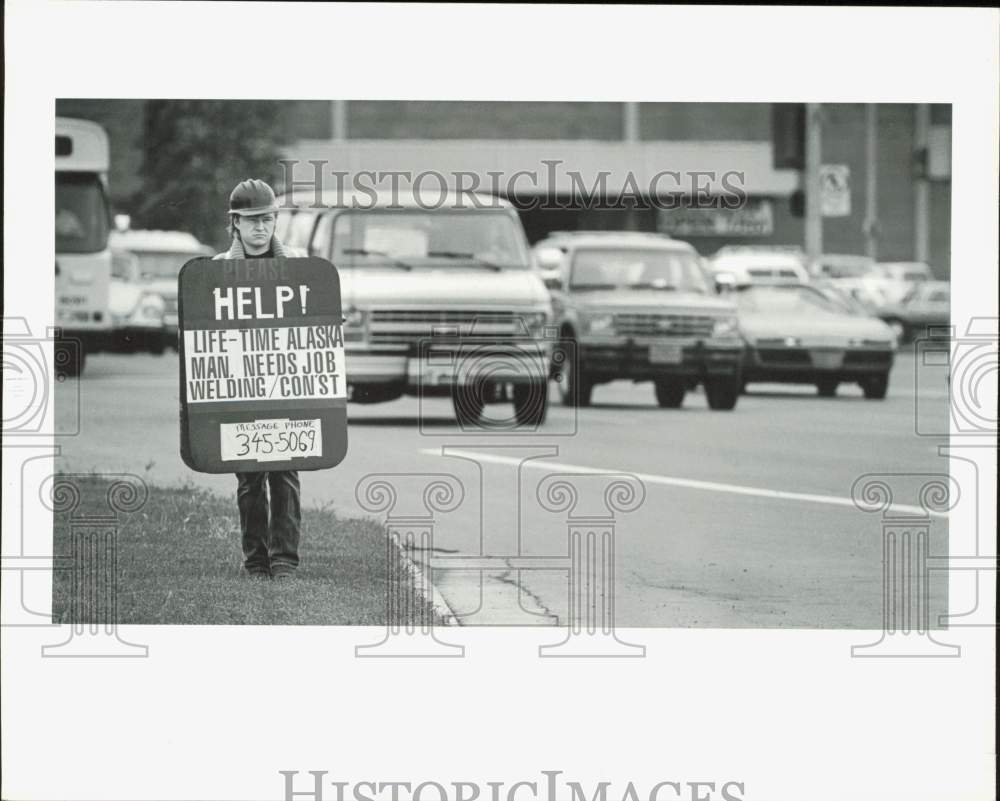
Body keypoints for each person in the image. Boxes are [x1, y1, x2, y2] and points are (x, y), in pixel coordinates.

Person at [214, 179, 305, 579]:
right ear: (234, 223)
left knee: (285, 471)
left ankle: (284, 558)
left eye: (267, 219)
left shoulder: (299, 265)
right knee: (250, 476)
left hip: (283, 384)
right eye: (251, 220)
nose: (260, 228)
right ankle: (255, 559)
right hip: (240, 386)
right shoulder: (216, 270)